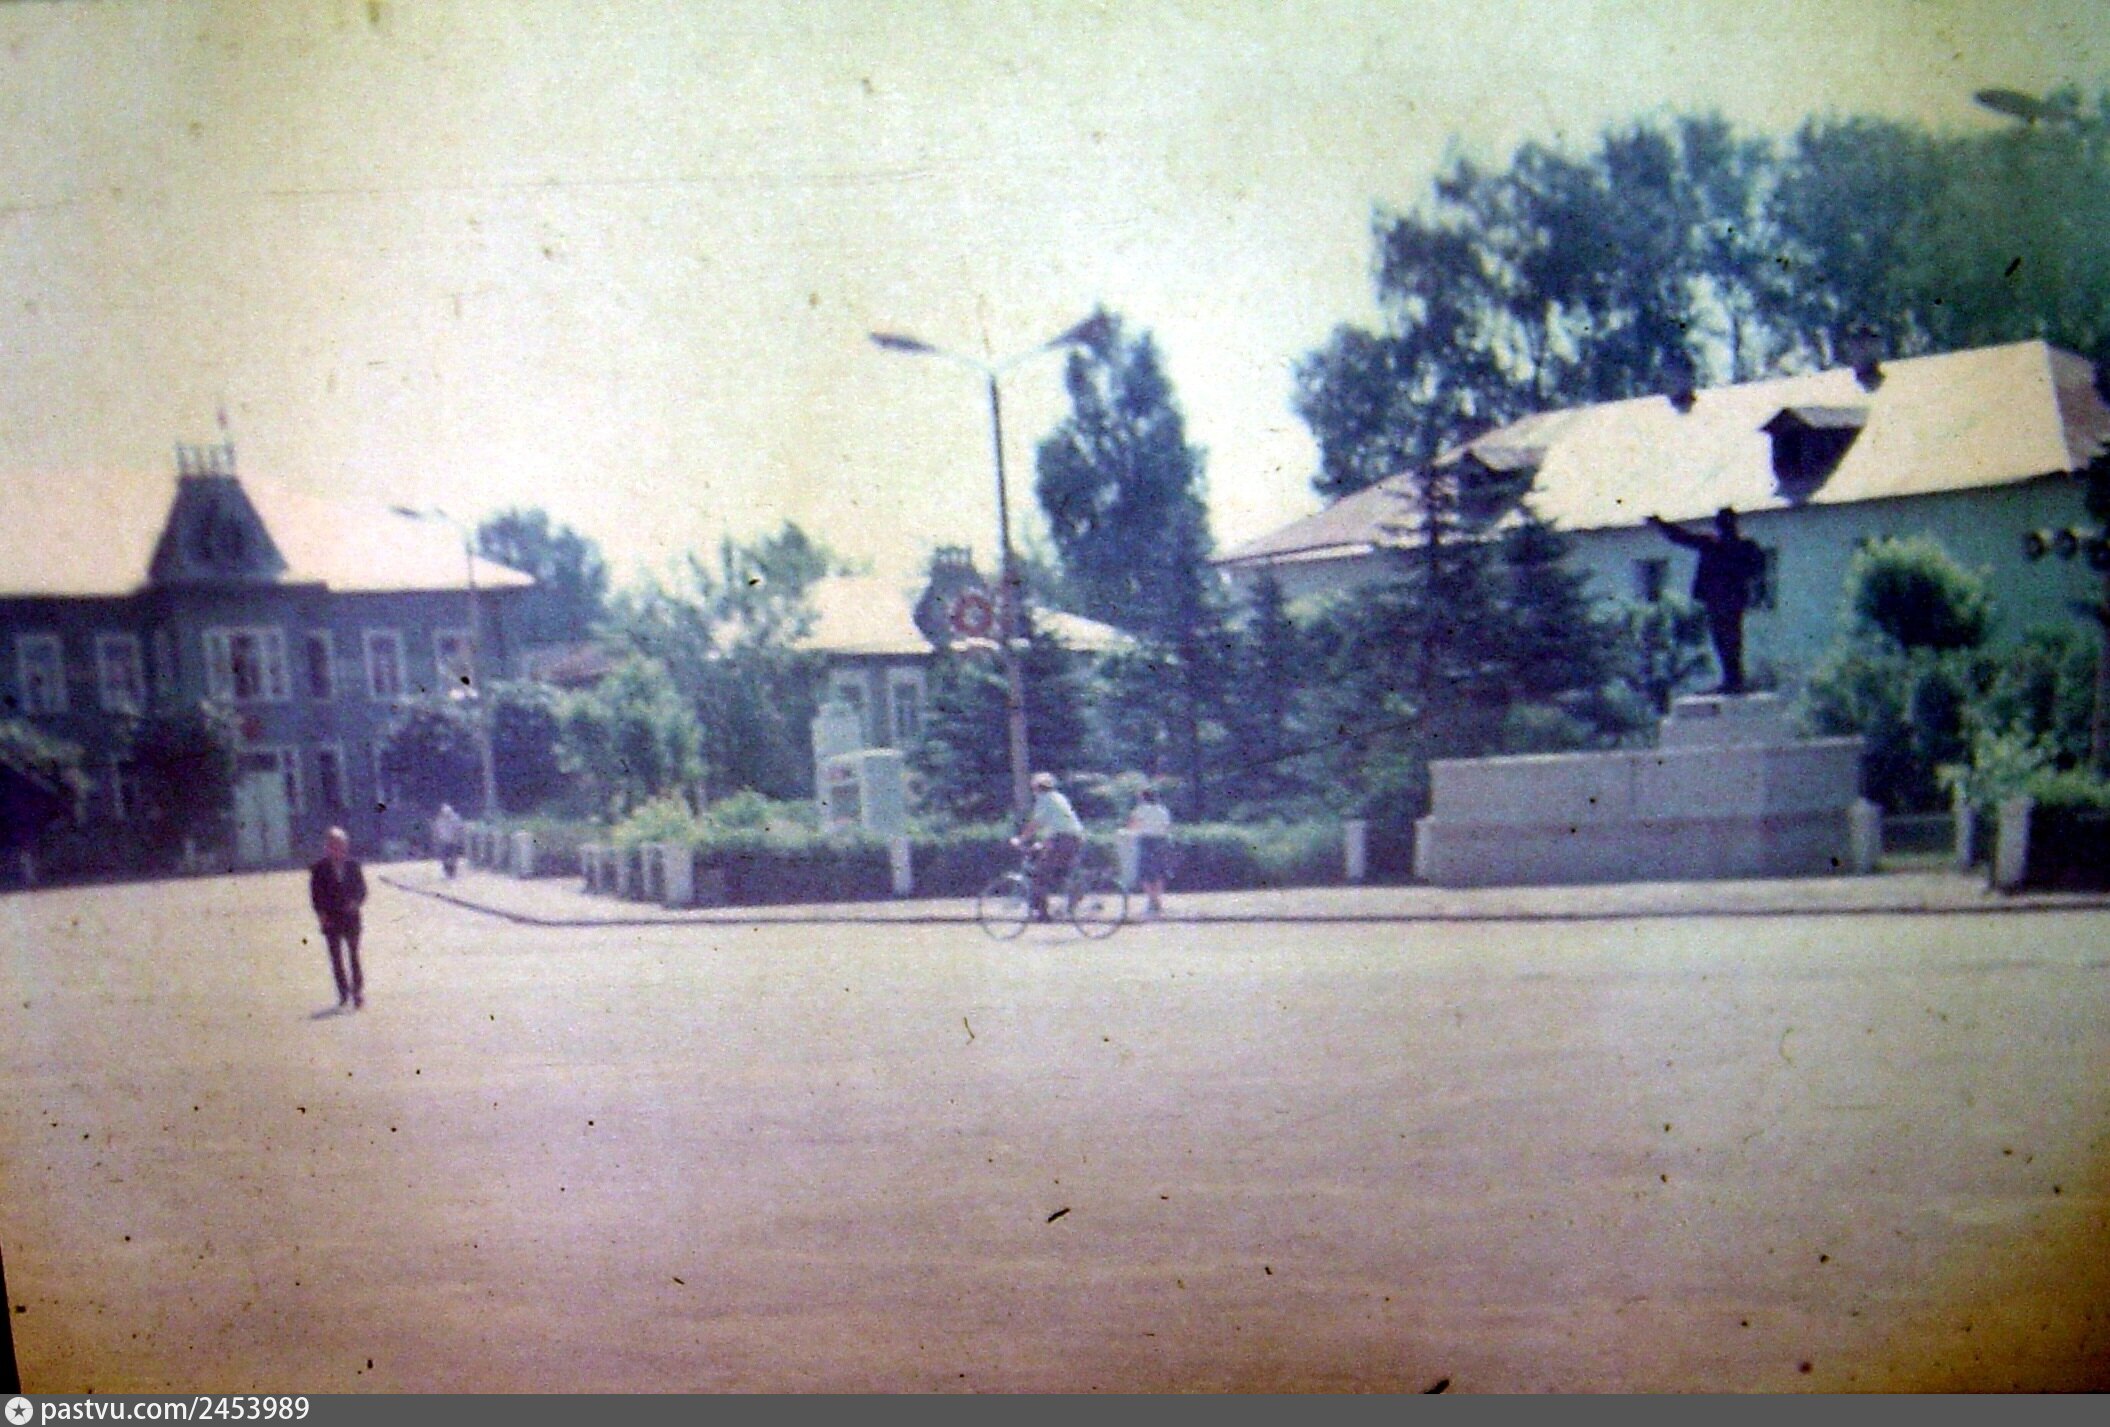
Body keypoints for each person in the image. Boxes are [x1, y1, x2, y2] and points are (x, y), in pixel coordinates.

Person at [1646, 507, 1767, 695]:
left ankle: (1734, 680)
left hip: (1724, 600)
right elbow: (1682, 537)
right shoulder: (1738, 546)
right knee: (1728, 640)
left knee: (1727, 640)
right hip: (1726, 600)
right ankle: (1733, 679)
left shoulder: (1720, 545)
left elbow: (1682, 537)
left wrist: (1660, 524)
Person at [309, 827, 368, 1011]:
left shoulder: (353, 866)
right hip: (331, 919)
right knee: (336, 959)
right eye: (333, 845)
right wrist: (321, 916)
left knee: (354, 956)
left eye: (341, 845)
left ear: (346, 846)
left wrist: (356, 903)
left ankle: (357, 992)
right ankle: (343, 993)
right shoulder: (319, 869)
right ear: (327, 847)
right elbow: (315, 895)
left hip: (351, 918)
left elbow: (362, 890)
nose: (337, 849)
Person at [1018, 771, 1084, 922]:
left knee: (1039, 875)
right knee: (1060, 872)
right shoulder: (1059, 797)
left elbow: (1035, 824)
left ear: (1037, 788)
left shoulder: (1044, 799)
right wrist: (1041, 843)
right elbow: (1057, 824)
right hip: (1075, 838)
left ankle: (1043, 914)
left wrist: (1020, 840)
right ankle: (1071, 900)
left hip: (1061, 839)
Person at [1125, 784, 1174, 919]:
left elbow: (1131, 825)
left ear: (1142, 797)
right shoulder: (1163, 810)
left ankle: (1151, 900)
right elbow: (1167, 827)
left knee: (1145, 873)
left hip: (1146, 841)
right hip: (1161, 841)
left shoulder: (1140, 809)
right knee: (1159, 871)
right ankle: (1158, 899)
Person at [431, 802, 466, 879]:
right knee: (444, 858)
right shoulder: (439, 820)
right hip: (443, 842)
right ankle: (447, 872)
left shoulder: (456, 819)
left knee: (453, 857)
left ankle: (452, 872)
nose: (446, 813)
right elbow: (436, 830)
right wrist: (436, 839)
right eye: (444, 811)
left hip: (453, 841)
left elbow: (460, 829)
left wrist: (459, 838)